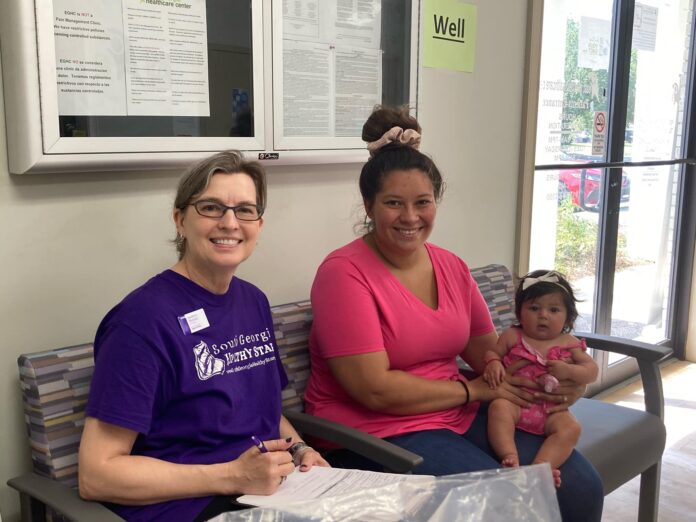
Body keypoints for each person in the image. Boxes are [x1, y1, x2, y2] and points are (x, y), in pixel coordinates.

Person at [303, 106, 603, 521]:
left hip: (454, 413)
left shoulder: (450, 265)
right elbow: (372, 389)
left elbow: (487, 353)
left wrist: (555, 385)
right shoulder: (344, 274)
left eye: (422, 202)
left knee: (580, 487)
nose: (410, 217)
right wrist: (474, 391)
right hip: (372, 430)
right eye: (394, 203)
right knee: (505, 507)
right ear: (369, 206)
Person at [78, 151, 328, 522]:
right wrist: (231, 476)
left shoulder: (253, 301)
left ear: (259, 224)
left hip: (269, 492)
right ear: (180, 220)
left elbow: (266, 415)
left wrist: (300, 449)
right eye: (211, 207)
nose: (230, 222)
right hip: (187, 507)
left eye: (245, 210)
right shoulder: (141, 321)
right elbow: (97, 475)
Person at [483, 270, 598, 486]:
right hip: (516, 402)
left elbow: (591, 371)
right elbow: (492, 352)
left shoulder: (569, 343)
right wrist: (493, 363)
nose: (543, 315)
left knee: (571, 428)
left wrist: (570, 371)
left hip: (551, 410)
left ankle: (542, 467)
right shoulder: (513, 336)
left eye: (553, 309)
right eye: (534, 308)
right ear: (519, 313)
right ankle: (509, 455)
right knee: (498, 408)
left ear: (568, 317)